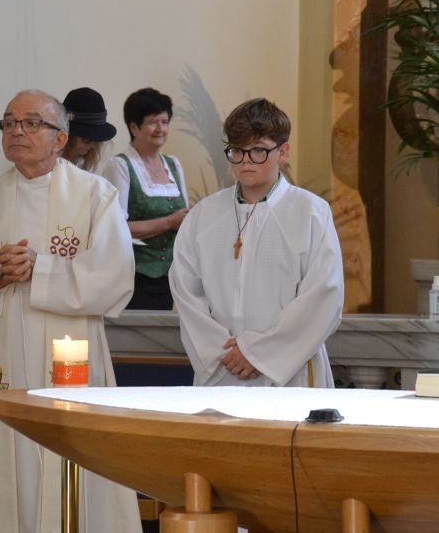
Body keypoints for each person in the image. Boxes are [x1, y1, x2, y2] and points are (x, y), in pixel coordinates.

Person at [0, 89, 147, 533]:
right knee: (7, 469)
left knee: (71, 467)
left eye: (31, 123)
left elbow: (116, 277)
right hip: (4, 362)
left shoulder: (95, 196)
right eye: (8, 123)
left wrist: (42, 269)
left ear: (60, 138)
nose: (17, 131)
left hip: (69, 361)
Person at [169, 98, 344, 387]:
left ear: (283, 152)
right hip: (222, 370)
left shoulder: (310, 212)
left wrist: (257, 354)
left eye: (258, 150)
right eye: (237, 151)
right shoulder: (204, 215)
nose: (246, 161)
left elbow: (324, 295)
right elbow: (185, 291)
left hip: (288, 373)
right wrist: (222, 353)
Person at [103, 87, 189, 309]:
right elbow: (115, 228)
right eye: (153, 122)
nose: (161, 129)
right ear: (134, 127)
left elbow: (185, 217)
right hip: (133, 277)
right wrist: (169, 222)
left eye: (165, 122)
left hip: (171, 277)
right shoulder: (120, 166)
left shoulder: (174, 164)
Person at [61, 86, 116, 172]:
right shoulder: (47, 162)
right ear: (68, 136)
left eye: (96, 140)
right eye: (87, 140)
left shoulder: (89, 163)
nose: (92, 145)